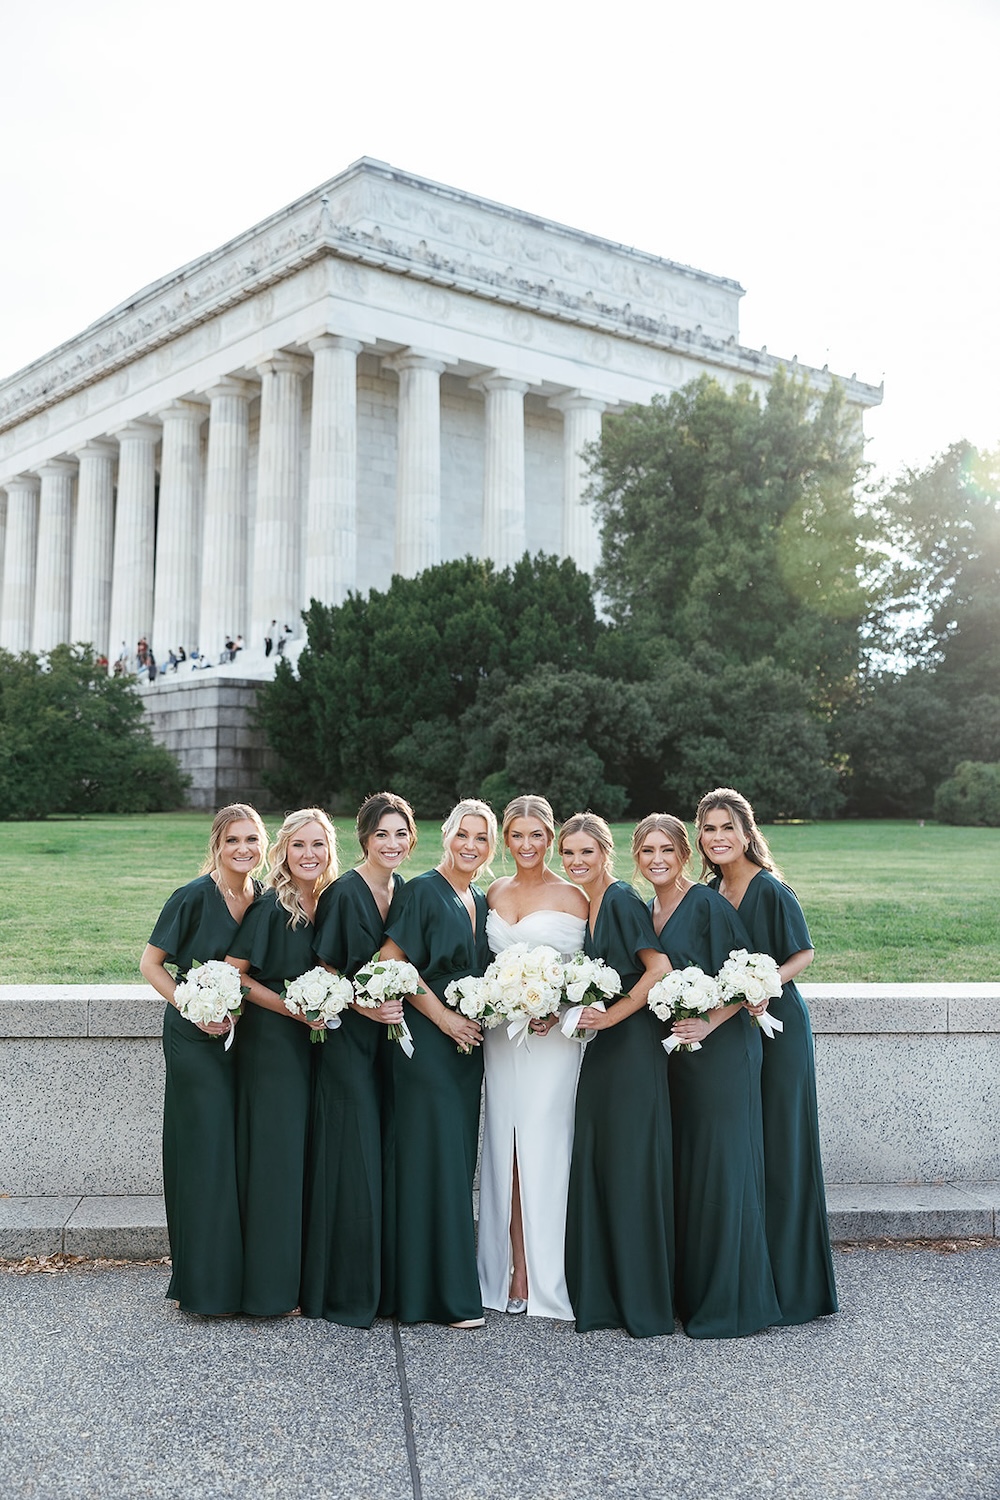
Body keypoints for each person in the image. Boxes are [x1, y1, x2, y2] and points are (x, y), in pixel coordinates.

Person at [695, 786, 838, 1325]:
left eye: (727, 827)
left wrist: (765, 982)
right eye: (708, 829)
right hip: (733, 1035)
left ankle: (795, 1288)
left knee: (781, 1145)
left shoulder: (770, 888)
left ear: (746, 832)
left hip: (777, 1030)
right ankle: (754, 1272)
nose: (718, 838)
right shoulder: (711, 891)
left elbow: (803, 952)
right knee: (747, 1150)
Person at [634, 813, 780, 1339]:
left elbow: (748, 977)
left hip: (720, 1055)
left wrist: (707, 1022)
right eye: (647, 850)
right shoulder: (648, 907)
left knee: (722, 1171)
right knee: (691, 1173)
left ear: (684, 854)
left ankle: (732, 1304)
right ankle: (691, 1295)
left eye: (667, 850)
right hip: (679, 1061)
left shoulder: (707, 903)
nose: (657, 859)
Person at [139, 803, 267, 1315]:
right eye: (233, 840)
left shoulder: (261, 898)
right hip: (195, 1040)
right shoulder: (192, 896)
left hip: (244, 1039)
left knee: (237, 1152)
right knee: (207, 1152)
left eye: (252, 840)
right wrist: (192, 1007)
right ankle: (204, 1285)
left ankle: (238, 1277)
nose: (243, 850)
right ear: (217, 844)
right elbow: (150, 964)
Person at [378, 799, 495, 1328]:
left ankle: (428, 1288)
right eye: (462, 834)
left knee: (453, 1161)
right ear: (445, 835)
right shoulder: (424, 890)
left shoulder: (481, 899)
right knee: (434, 1162)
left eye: (481, 837)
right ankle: (441, 1298)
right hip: (427, 1043)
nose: (471, 845)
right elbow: (391, 962)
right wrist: (445, 1019)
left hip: (467, 1050)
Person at [301, 791, 417, 1326]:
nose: (391, 844)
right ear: (364, 839)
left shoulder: (405, 891)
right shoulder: (346, 893)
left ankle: (385, 1285)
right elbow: (324, 975)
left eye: (400, 834)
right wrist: (365, 1008)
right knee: (354, 1163)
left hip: (391, 1048)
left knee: (385, 1160)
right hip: (350, 1044)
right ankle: (345, 1293)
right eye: (381, 835)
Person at [559, 812, 673, 1337]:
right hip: (604, 1049)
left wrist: (611, 1014)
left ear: (605, 852)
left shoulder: (622, 900)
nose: (577, 861)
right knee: (603, 1159)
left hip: (631, 1046)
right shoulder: (592, 903)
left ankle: (639, 1301)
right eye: (569, 853)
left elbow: (659, 969)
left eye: (586, 852)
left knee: (628, 1165)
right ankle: (604, 1292)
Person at [478, 794, 588, 1321]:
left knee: (544, 1145)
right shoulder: (493, 891)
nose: (526, 845)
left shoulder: (576, 896)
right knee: (505, 1147)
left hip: (553, 1039)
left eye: (536, 836)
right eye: (516, 836)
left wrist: (558, 1005)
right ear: (506, 839)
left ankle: (548, 1274)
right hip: (501, 1036)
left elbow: (594, 973)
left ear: (551, 838)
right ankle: (509, 1271)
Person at [226, 808, 337, 1317]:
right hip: (272, 1048)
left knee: (305, 1162)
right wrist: (291, 1007)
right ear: (283, 852)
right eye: (299, 846)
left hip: (316, 1048)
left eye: (318, 845)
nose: (309, 855)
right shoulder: (272, 908)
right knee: (276, 1164)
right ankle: (269, 1291)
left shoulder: (333, 902)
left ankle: (300, 1282)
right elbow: (236, 977)